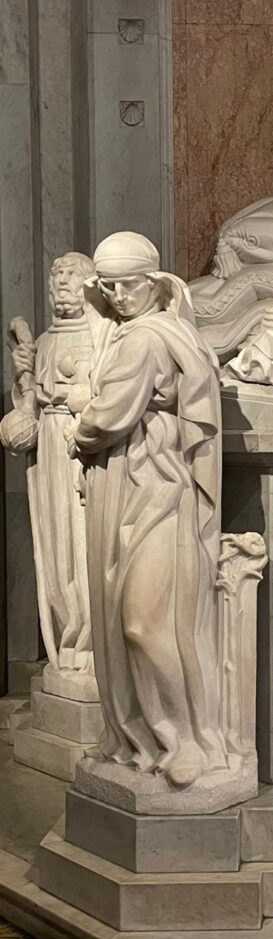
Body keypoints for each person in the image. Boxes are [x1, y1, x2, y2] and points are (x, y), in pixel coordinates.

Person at [68, 231, 228, 788]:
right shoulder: (156, 332)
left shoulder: (145, 339)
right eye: (107, 286)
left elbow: (106, 418)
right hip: (135, 485)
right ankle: (155, 736)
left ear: (154, 283)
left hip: (152, 487)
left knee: (140, 620)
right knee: (146, 617)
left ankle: (182, 736)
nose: (116, 295)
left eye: (127, 285)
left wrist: (78, 424)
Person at [1, 253, 96, 692]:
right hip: (52, 459)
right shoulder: (42, 340)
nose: (60, 284)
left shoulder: (104, 336)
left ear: (89, 285)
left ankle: (94, 643)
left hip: (89, 451)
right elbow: (28, 416)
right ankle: (65, 640)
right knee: (58, 549)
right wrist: (23, 384)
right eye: (55, 278)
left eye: (69, 277)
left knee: (87, 546)